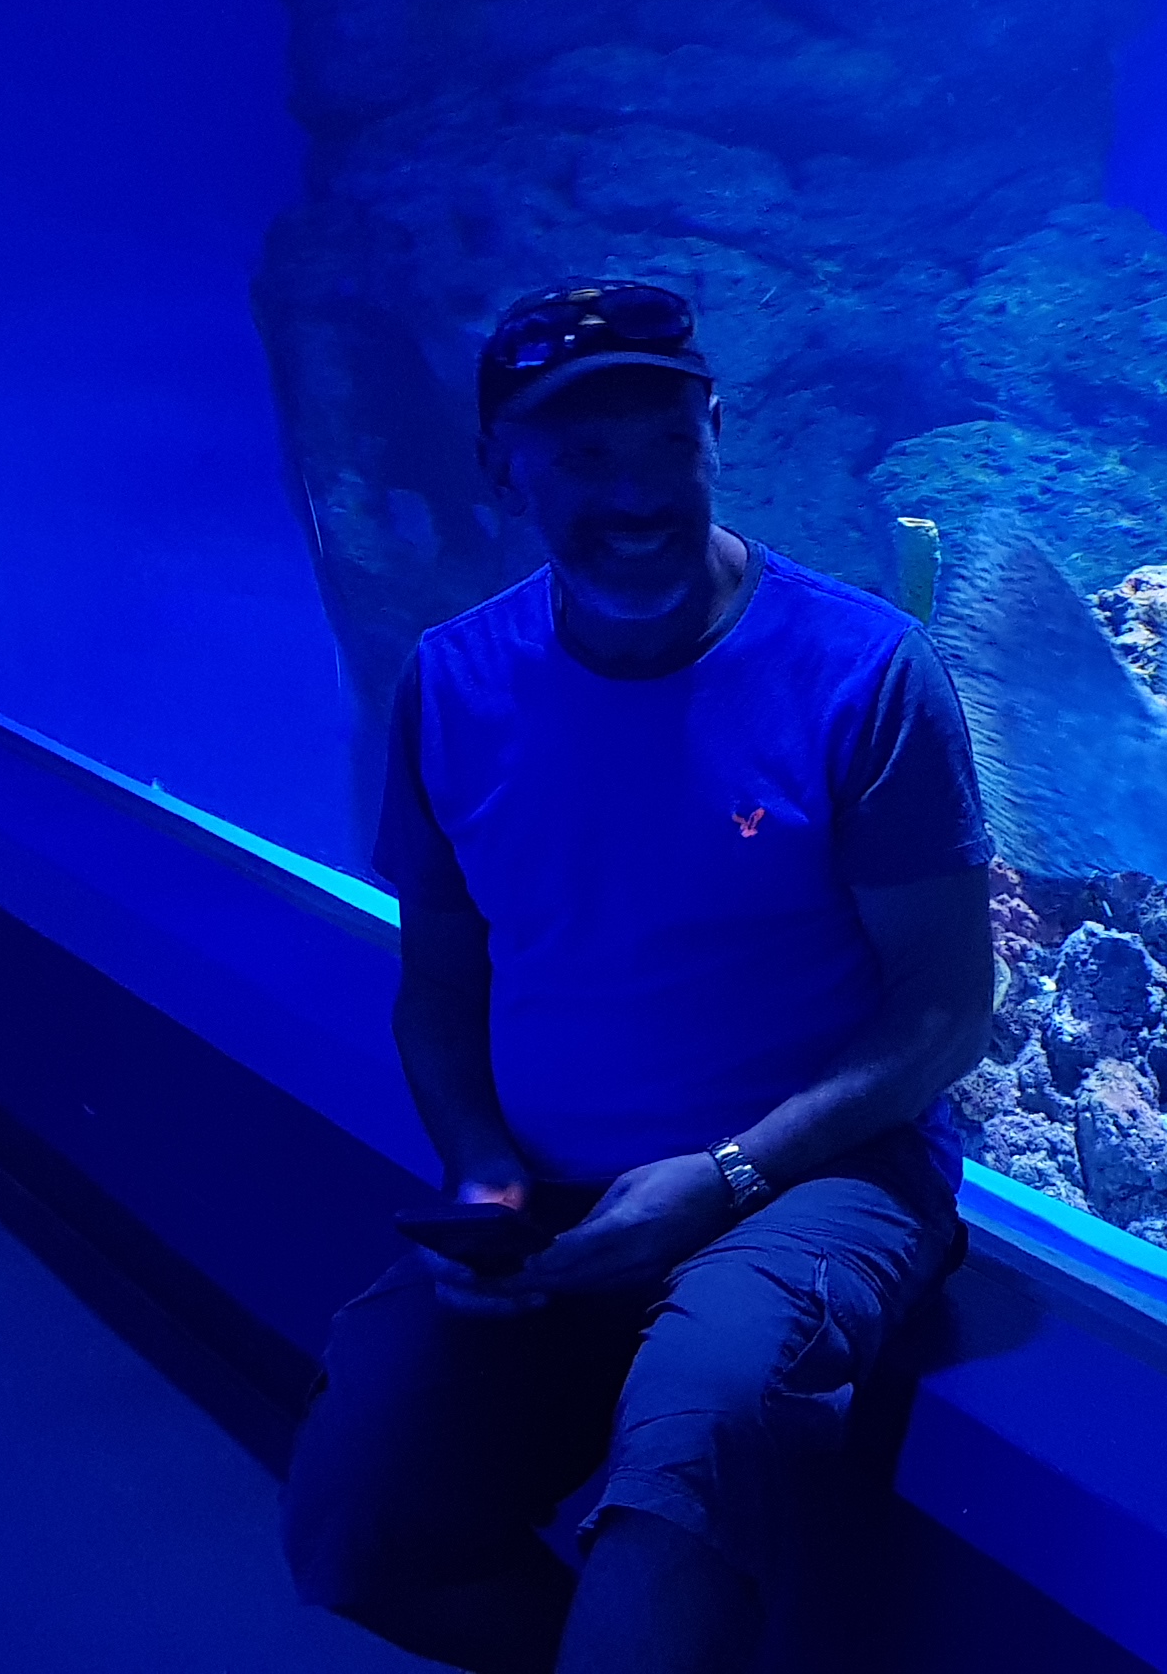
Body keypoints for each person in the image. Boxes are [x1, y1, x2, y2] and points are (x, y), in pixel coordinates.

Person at [281, 282, 1001, 1673]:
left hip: (816, 1174)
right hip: (548, 1196)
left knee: (698, 1439)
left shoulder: (864, 672)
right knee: (353, 1524)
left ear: (716, 432)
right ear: (502, 467)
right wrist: (484, 1177)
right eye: (584, 454)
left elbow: (944, 1006)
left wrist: (727, 1175)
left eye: (669, 442)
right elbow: (441, 985)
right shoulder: (452, 683)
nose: (637, 493)